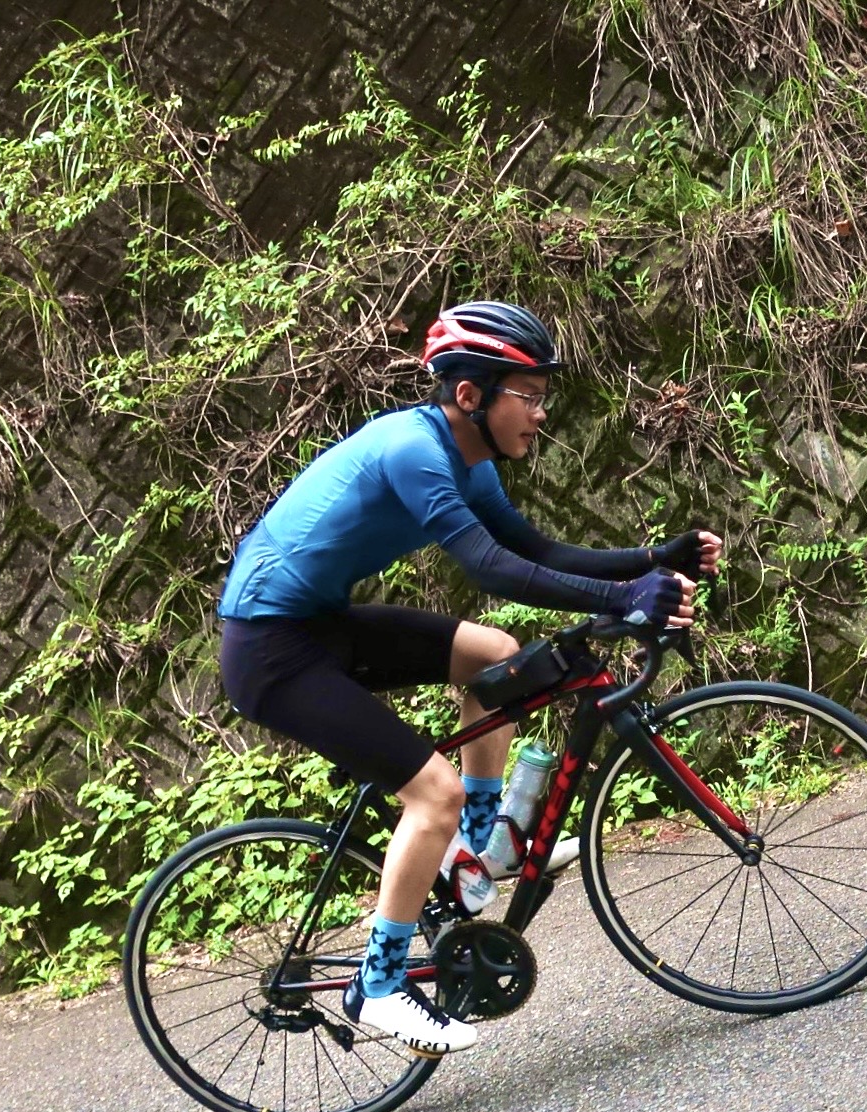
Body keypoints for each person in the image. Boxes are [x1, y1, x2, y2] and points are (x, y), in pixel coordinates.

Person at [216, 301, 722, 1055]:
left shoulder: (467, 459)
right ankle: (378, 986)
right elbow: (488, 567)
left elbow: (535, 551)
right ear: (469, 394)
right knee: (434, 794)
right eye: (530, 395)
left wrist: (652, 560)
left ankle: (483, 849)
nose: (541, 413)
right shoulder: (412, 450)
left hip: (317, 623)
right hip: (269, 650)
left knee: (493, 653)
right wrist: (622, 599)